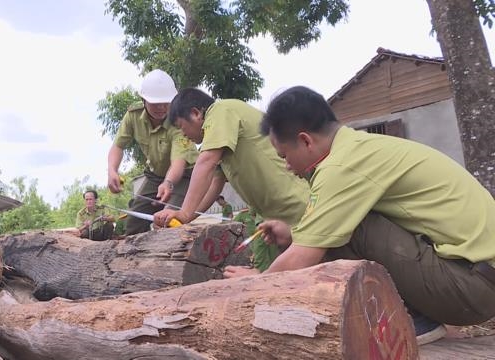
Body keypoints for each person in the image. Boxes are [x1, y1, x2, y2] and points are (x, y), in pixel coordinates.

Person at [237, 85, 495, 345]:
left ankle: (414, 320)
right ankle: (419, 316)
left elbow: (304, 256)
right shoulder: (360, 149)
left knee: (350, 227)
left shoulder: (341, 166)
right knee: (340, 225)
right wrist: (293, 233)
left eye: (285, 155)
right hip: (475, 279)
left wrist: (255, 284)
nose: (287, 166)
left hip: (472, 289)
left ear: (306, 140)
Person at [152, 87, 310, 271]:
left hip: (297, 206)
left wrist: (184, 213)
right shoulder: (221, 139)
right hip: (279, 219)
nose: (184, 134)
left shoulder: (221, 111)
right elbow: (214, 185)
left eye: (181, 127)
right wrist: (185, 218)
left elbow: (205, 162)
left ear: (195, 113)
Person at [107, 69, 198, 235]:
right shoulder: (132, 116)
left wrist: (168, 183)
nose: (162, 108)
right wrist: (112, 170)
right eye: (155, 103)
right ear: (143, 100)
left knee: (168, 221)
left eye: (166, 103)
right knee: (133, 224)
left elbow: (178, 162)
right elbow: (118, 146)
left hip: (185, 176)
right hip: (155, 177)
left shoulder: (179, 121)